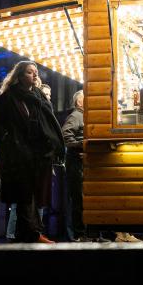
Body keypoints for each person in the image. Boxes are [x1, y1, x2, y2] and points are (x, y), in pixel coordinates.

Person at [0, 60, 65, 243]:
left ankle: (32, 232)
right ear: (20, 76)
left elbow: (49, 120)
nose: (35, 75)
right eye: (30, 72)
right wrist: (7, 137)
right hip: (18, 154)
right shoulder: (9, 97)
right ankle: (31, 234)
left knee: (36, 195)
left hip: (38, 154)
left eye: (36, 72)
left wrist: (52, 144)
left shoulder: (38, 96)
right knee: (24, 194)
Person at [61, 90, 88, 241]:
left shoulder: (82, 116)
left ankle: (82, 233)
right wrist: (82, 145)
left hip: (78, 164)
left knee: (80, 199)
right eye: (86, 98)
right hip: (75, 164)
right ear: (79, 102)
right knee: (78, 199)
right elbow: (66, 135)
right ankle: (79, 234)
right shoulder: (76, 116)